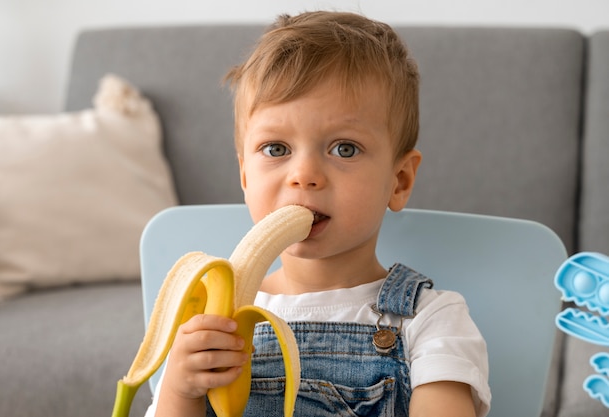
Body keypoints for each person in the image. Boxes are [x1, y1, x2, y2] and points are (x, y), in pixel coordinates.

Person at [146, 10, 490, 417]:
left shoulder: (430, 319)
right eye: (276, 149)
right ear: (244, 175)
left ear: (398, 181)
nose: (304, 175)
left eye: (344, 148)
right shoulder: (214, 317)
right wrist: (179, 391)